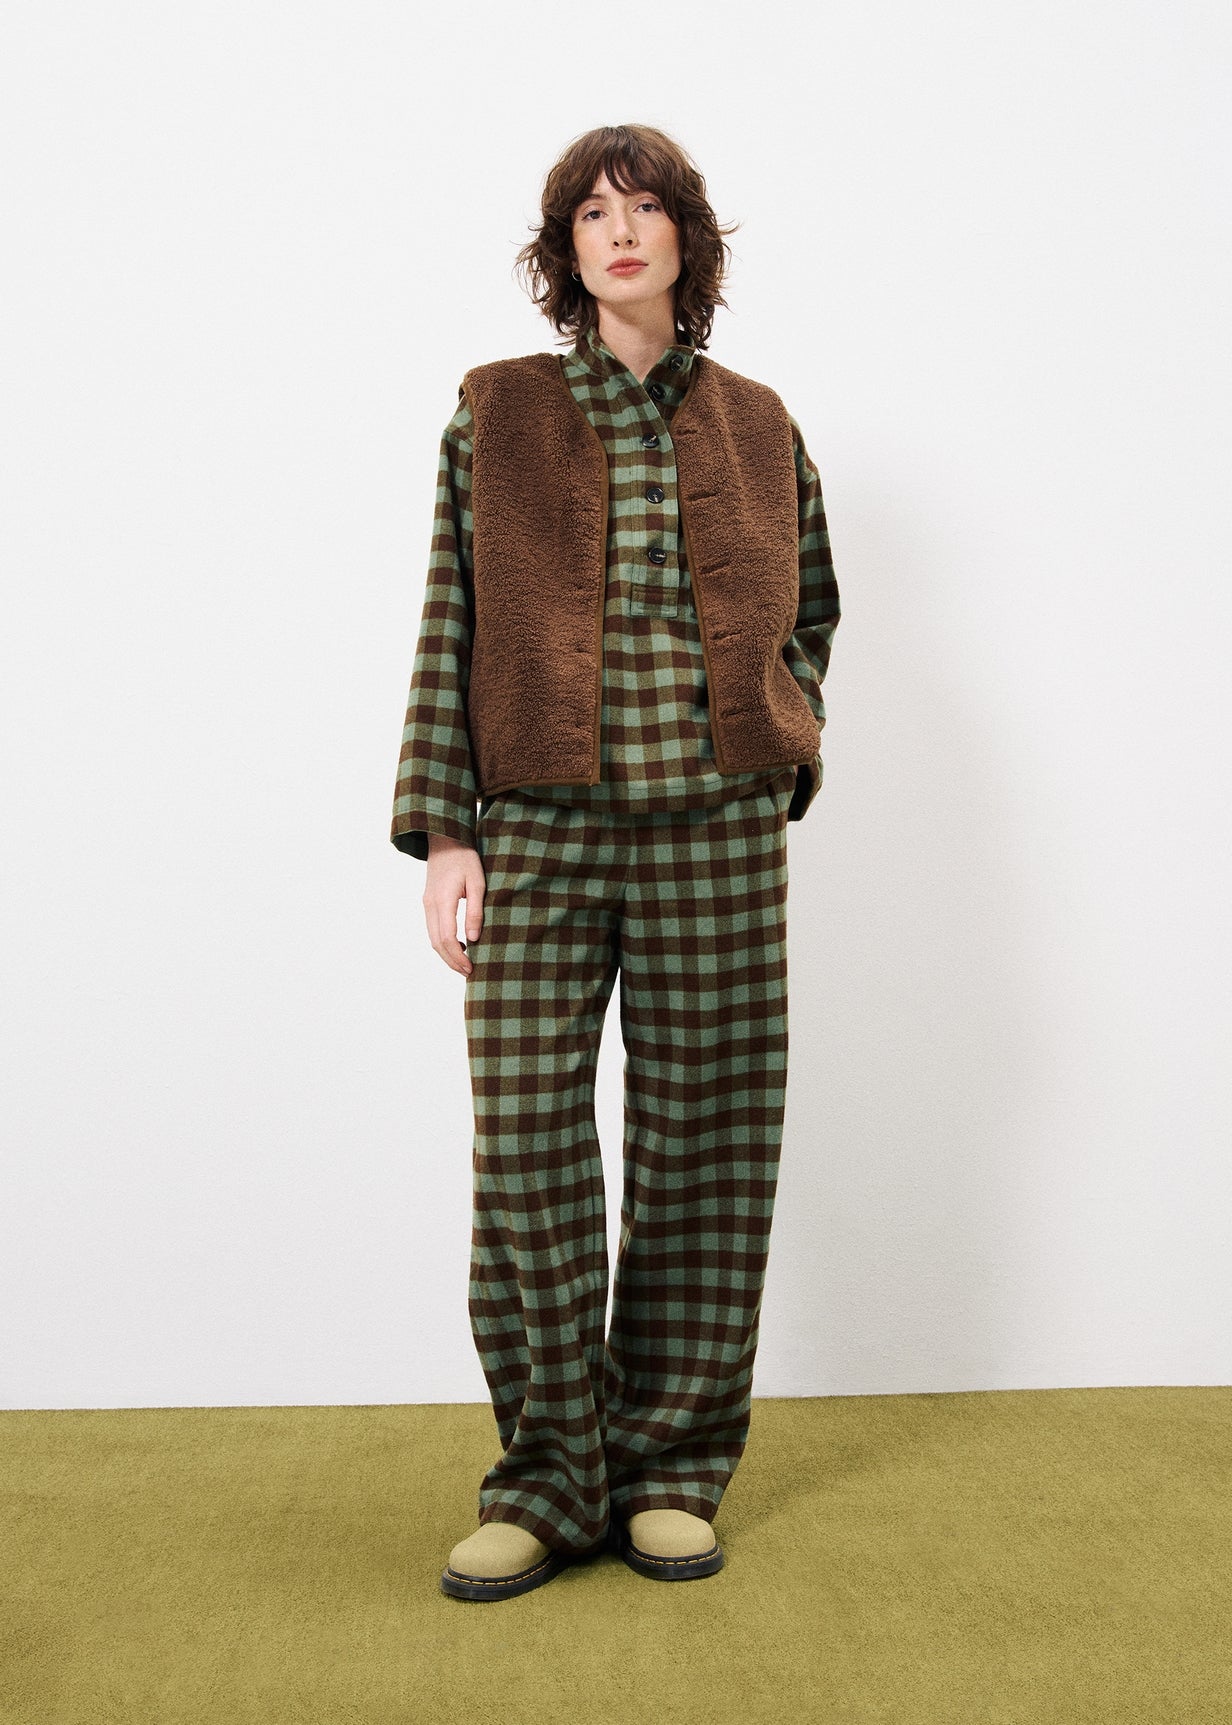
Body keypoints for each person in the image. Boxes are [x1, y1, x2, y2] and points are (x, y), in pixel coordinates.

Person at [389, 123, 841, 1603]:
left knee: (707, 1143)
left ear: (685, 241)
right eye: (592, 212)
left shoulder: (758, 423)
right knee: (527, 1142)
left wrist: (781, 731)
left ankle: (668, 1469)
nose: (620, 230)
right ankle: (545, 1477)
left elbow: (812, 607)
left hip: (715, 828)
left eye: (645, 208)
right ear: (564, 247)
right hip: (540, 825)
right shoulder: (498, 409)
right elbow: (451, 616)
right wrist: (447, 827)